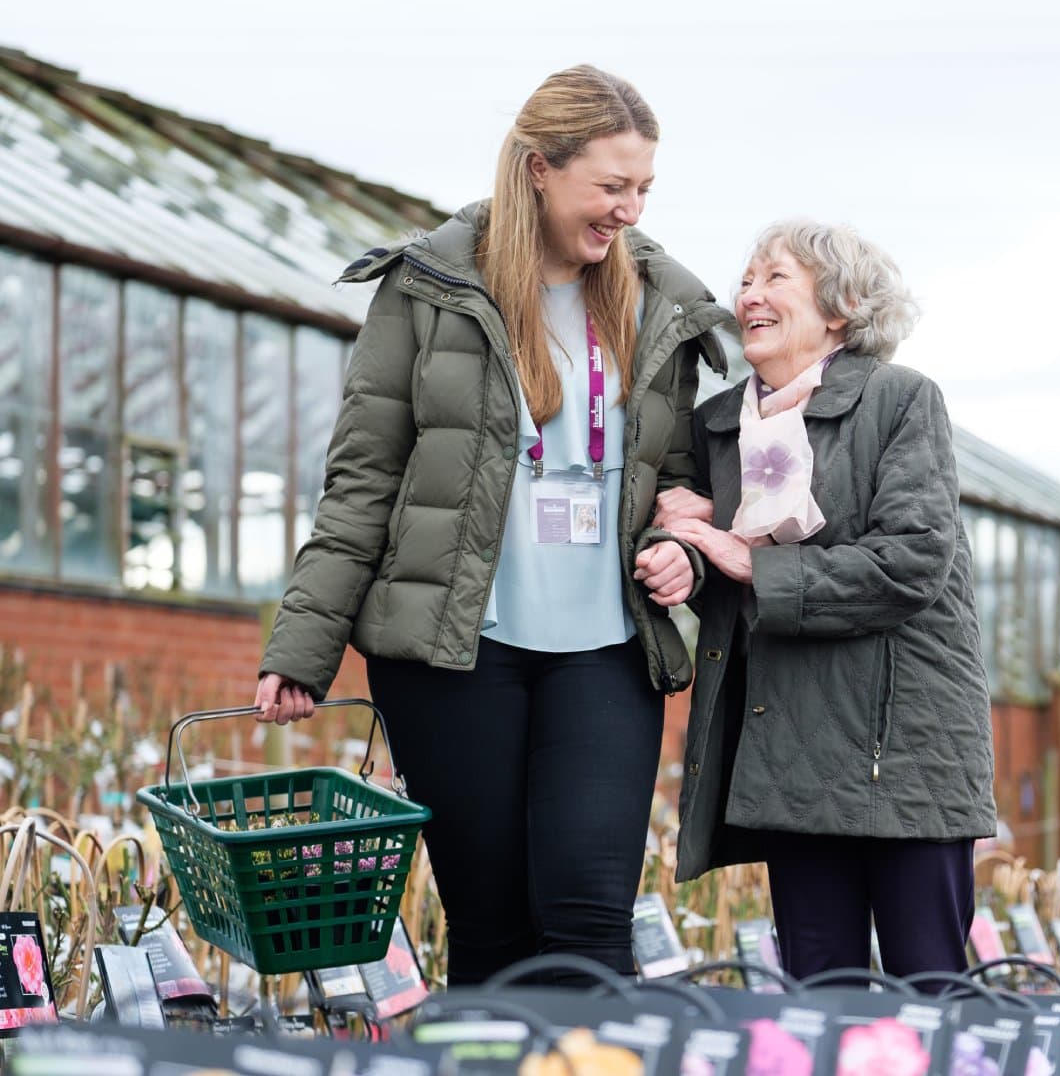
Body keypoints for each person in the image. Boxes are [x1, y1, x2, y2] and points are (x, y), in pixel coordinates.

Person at [253, 65, 733, 984]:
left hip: (606, 648)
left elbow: (680, 483)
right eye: (610, 186)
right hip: (452, 650)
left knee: (592, 924)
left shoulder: (662, 304)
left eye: (643, 189)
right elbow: (363, 479)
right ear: (539, 168)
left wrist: (680, 552)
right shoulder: (427, 289)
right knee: (491, 928)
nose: (628, 210)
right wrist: (302, 644)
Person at [658, 219, 996, 980]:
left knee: (927, 989)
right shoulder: (718, 428)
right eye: (745, 279)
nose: (749, 294)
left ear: (839, 309)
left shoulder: (899, 401)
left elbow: (909, 563)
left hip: (902, 754)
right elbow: (705, 548)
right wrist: (679, 549)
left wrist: (734, 557)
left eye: (775, 277)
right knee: (820, 998)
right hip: (791, 755)